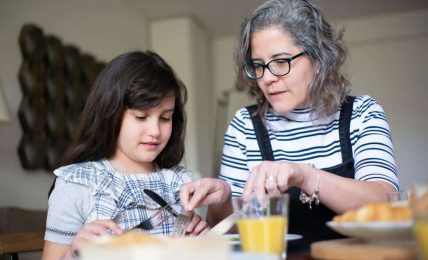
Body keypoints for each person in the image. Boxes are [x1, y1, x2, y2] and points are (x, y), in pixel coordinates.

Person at [180, 0, 398, 251]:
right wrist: (222, 201)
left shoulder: (362, 113)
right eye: (258, 65)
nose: (268, 77)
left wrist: (304, 175)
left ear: (318, 59)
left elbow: (386, 207)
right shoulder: (244, 126)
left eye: (281, 61)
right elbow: (229, 233)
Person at [42, 51, 209, 260]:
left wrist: (199, 242)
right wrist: (75, 253)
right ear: (110, 114)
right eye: (141, 117)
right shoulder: (77, 183)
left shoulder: (180, 182)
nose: (155, 131)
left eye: (165, 118)